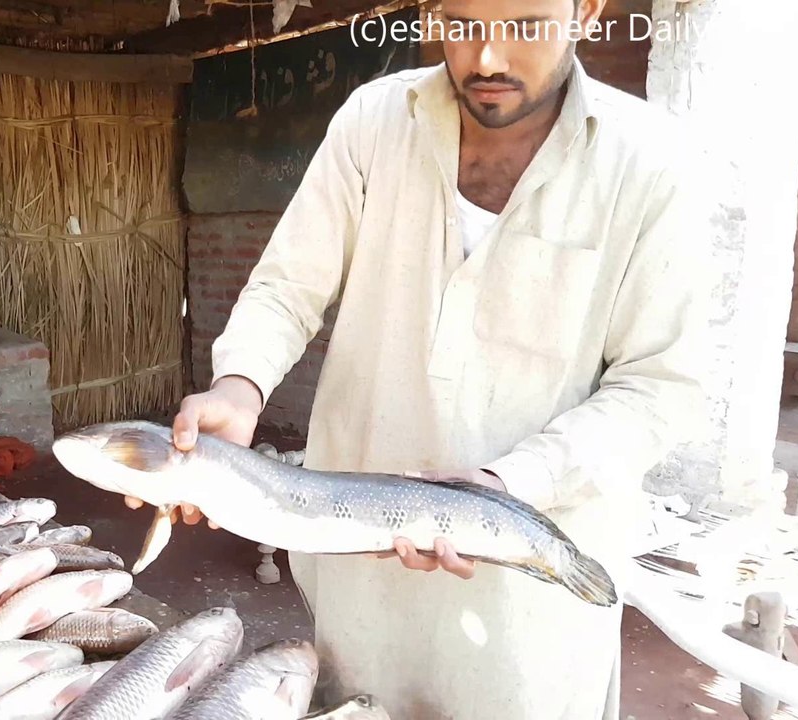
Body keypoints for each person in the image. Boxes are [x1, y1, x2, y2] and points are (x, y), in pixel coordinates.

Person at [127, 0, 710, 716]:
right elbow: (287, 285)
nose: (486, 59)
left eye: (524, 27)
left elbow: (660, 387)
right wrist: (240, 388)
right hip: (357, 557)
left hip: (529, 578)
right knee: (356, 699)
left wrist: (507, 484)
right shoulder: (375, 122)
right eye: (461, 25)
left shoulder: (650, 163)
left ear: (587, 10)